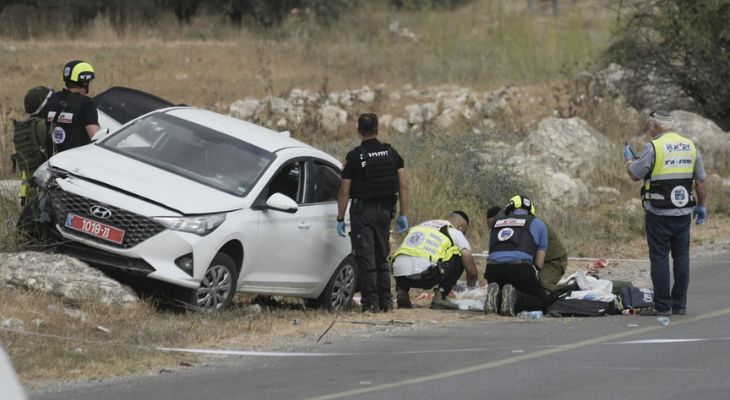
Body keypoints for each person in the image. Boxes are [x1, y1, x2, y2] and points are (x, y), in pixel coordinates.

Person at [626, 111, 707, 316]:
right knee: (681, 258)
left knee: (660, 258)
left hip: (658, 212)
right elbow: (700, 181)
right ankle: (679, 305)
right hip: (683, 213)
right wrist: (702, 205)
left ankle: (663, 306)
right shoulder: (690, 146)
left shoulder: (652, 147)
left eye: (649, 127)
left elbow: (635, 174)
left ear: (656, 127)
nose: (648, 131)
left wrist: (628, 161)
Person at [337, 113, 409, 313]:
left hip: (363, 213)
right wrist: (403, 214)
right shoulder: (391, 153)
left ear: (359, 131)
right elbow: (403, 186)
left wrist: (340, 218)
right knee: (382, 256)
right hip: (385, 213)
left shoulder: (354, 157)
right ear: (377, 129)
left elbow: (344, 191)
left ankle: (371, 303)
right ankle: (386, 302)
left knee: (366, 257)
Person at [391, 211, 479, 310]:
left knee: (408, 254)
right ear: (461, 227)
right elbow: (469, 262)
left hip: (399, 275)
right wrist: (472, 284)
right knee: (459, 256)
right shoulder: (454, 231)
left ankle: (402, 291)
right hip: (426, 276)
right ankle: (441, 296)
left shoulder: (420, 226)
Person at [483, 195, 548, 316]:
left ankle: (497, 297)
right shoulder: (537, 223)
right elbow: (539, 263)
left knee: (503, 293)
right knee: (541, 302)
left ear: (509, 209)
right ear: (530, 210)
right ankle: (515, 297)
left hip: (493, 270)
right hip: (520, 269)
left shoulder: (496, 223)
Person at [486, 205, 567, 297]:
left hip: (552, 261)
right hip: (531, 262)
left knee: (541, 293)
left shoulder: (532, 224)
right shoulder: (516, 224)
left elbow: (538, 263)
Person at [42, 60, 100, 154]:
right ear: (85, 82)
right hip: (76, 163)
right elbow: (96, 137)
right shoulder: (86, 104)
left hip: (52, 161)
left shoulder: (52, 99)